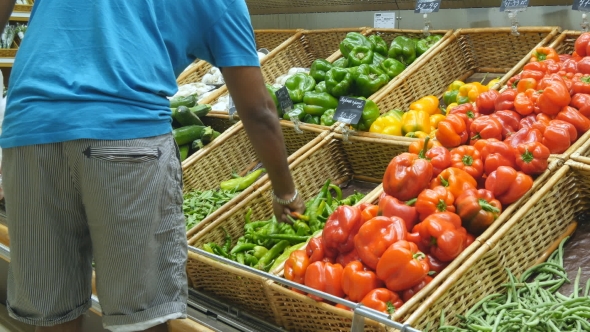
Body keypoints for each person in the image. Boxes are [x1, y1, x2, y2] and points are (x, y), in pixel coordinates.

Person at [0, 0, 305, 331]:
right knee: (143, 317)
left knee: (53, 312)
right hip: (124, 141)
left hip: (30, 136)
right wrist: (285, 191)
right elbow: (259, 109)